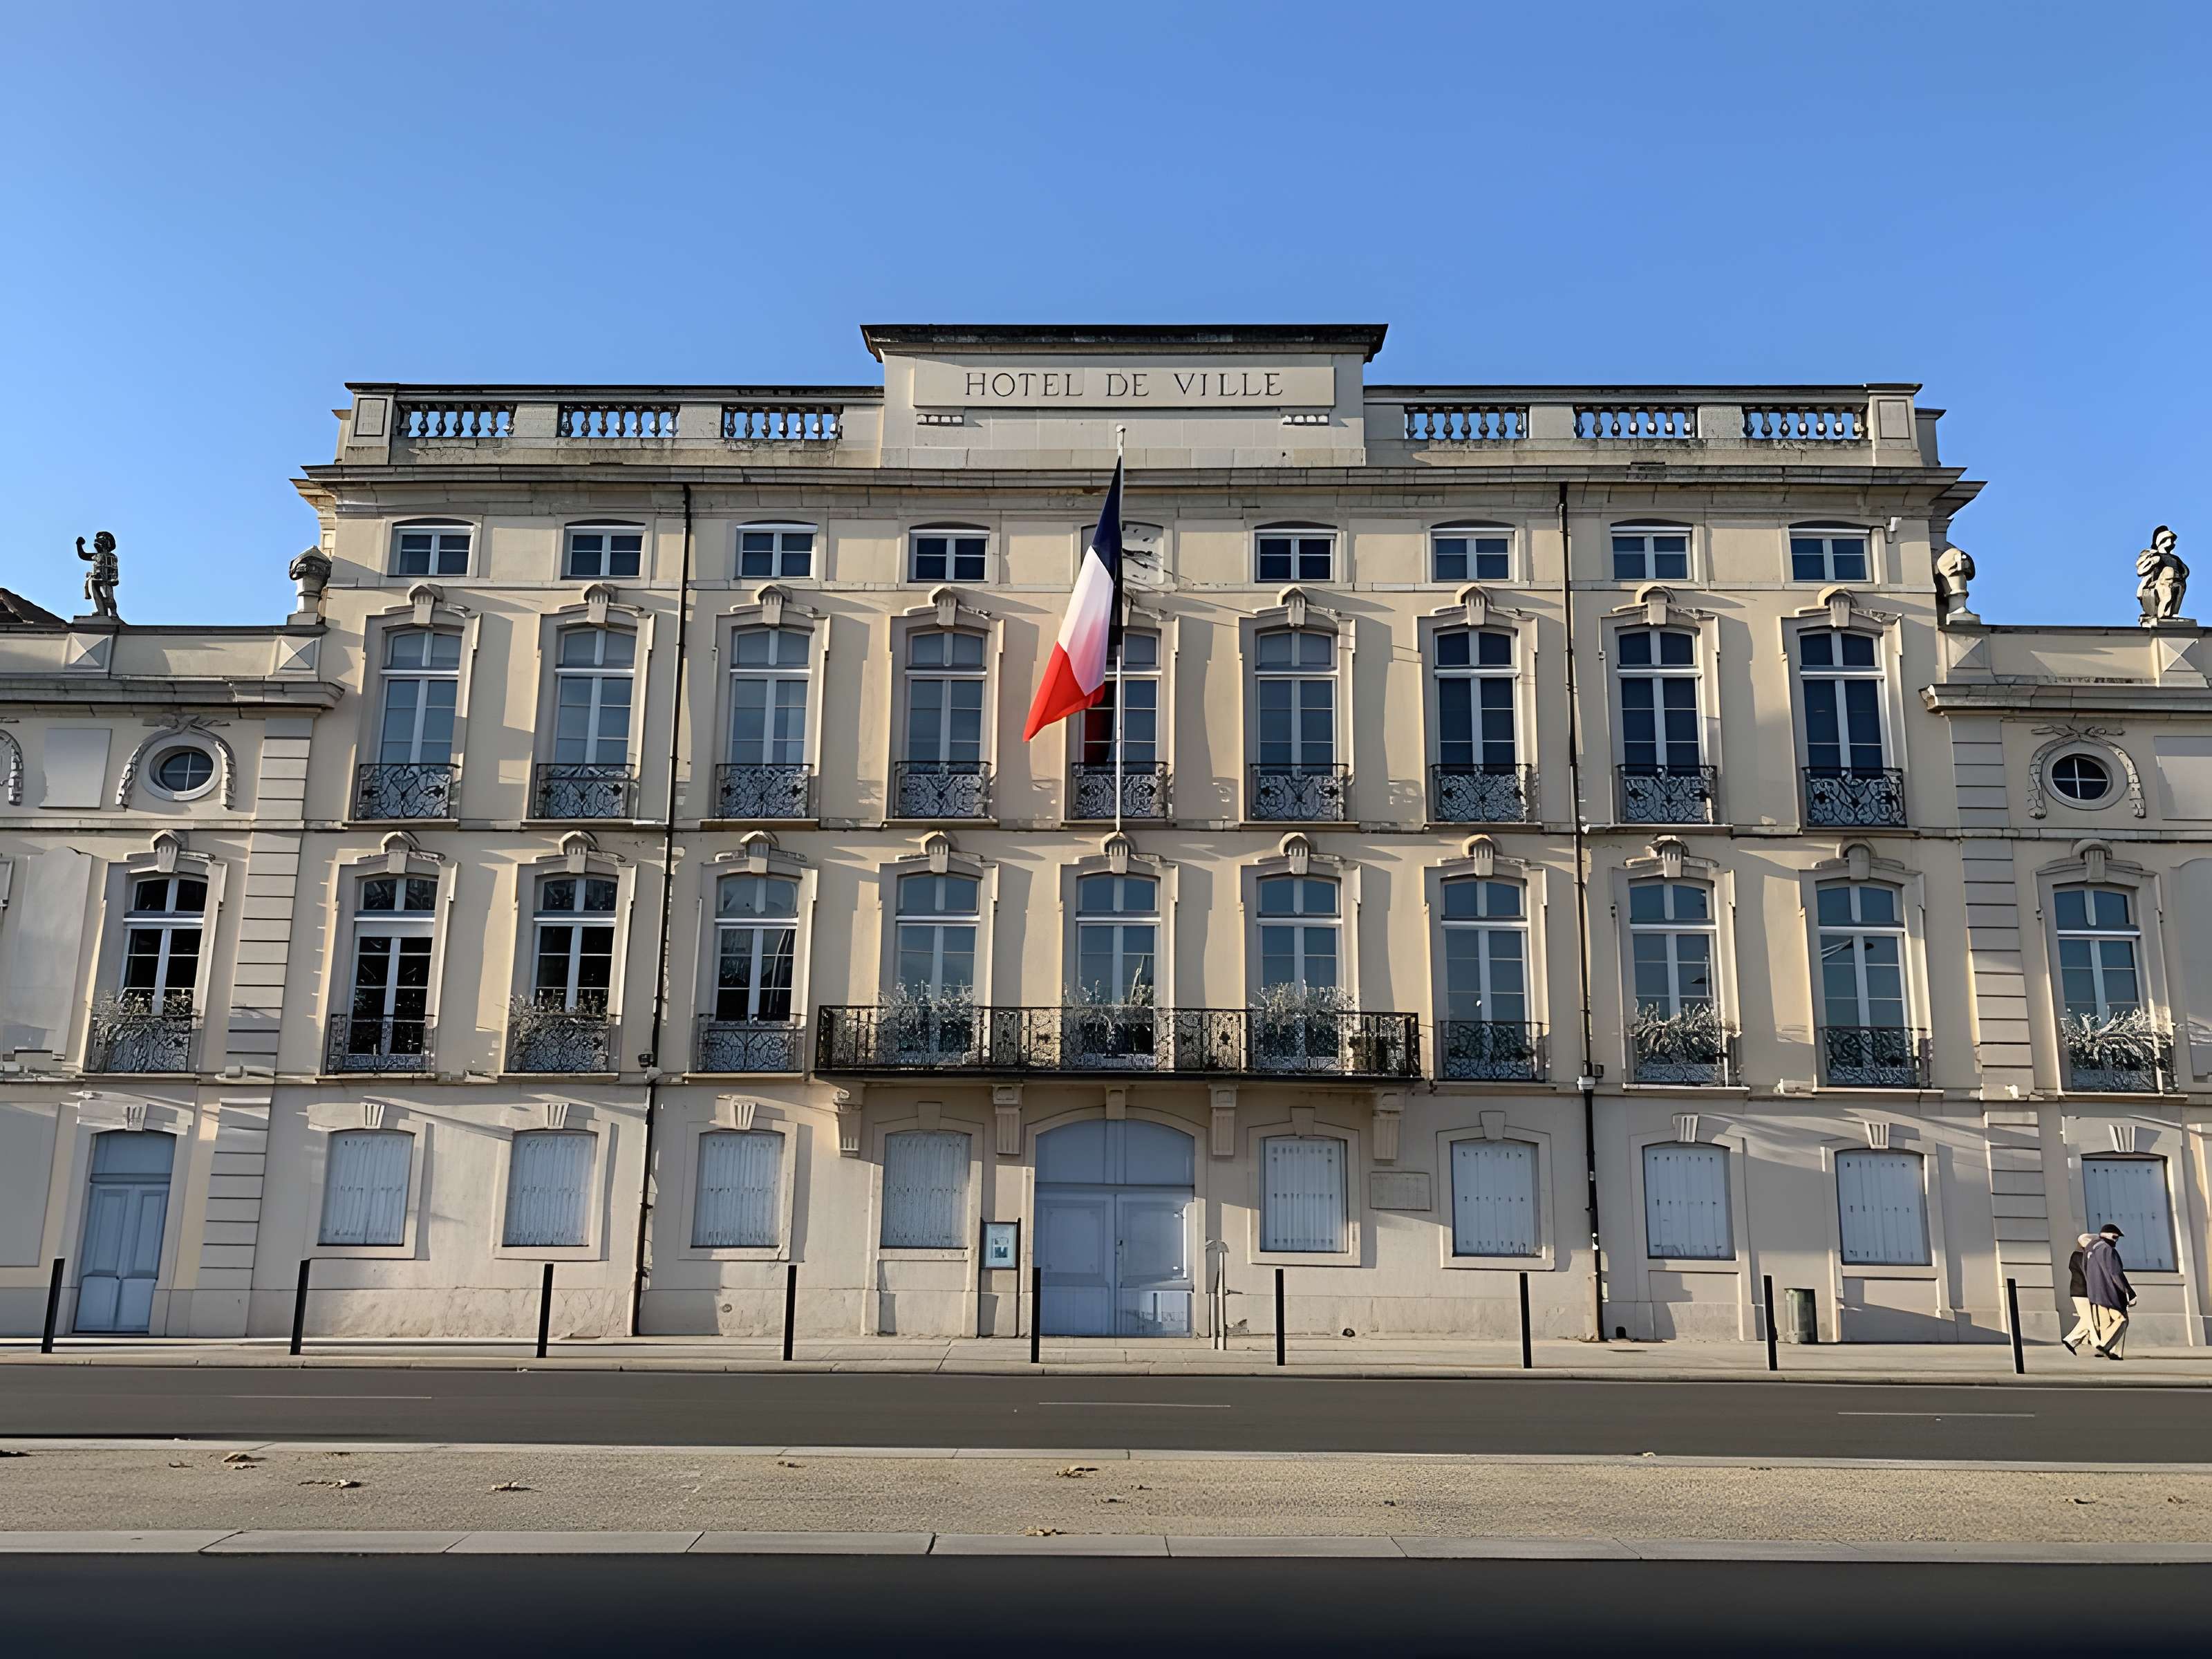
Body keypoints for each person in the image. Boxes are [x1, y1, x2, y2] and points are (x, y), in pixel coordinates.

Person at [2084, 1224, 2136, 1359]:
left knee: (2106, 1324)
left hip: (2095, 1293)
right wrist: (2129, 1293)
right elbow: (2116, 1273)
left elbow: (2085, 1269)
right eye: (2115, 1237)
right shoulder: (2108, 1250)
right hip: (2110, 1293)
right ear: (2108, 1236)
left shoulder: (2090, 1247)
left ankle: (2105, 1349)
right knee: (2121, 1320)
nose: (2116, 1241)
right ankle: (2107, 1347)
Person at [2061, 1232, 2097, 1354]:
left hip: (2077, 1291)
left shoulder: (2076, 1256)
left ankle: (2097, 1346)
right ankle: (2071, 1339)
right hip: (2082, 1292)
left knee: (2088, 1319)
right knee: (2091, 1320)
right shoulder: (2082, 1257)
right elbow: (2088, 1276)